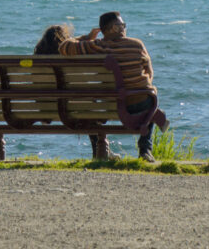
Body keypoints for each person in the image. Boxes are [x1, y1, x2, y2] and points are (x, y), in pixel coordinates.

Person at [59, 11, 159, 162]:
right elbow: (149, 73)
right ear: (114, 28)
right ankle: (145, 150)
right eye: (122, 25)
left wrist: (87, 37)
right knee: (153, 104)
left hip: (108, 105)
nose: (124, 28)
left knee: (91, 112)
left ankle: (100, 150)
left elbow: (64, 47)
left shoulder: (98, 46)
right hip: (139, 103)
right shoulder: (137, 45)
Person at [33, 24, 118, 160]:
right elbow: (68, 44)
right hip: (72, 107)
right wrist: (87, 39)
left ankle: (103, 152)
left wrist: (85, 37)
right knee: (89, 111)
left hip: (45, 107)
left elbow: (64, 44)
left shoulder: (37, 58)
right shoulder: (69, 56)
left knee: (86, 108)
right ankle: (101, 152)